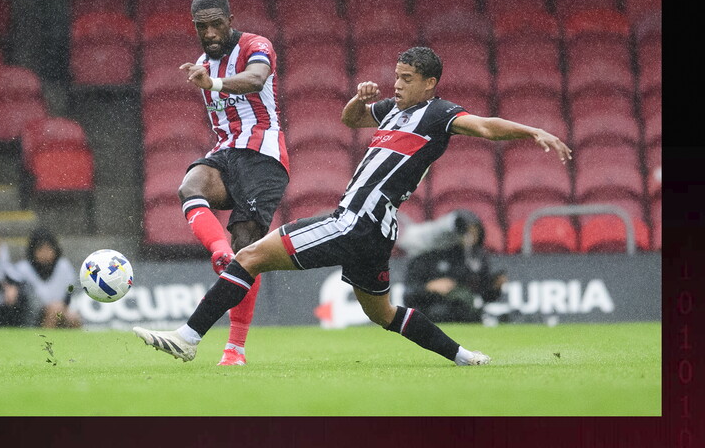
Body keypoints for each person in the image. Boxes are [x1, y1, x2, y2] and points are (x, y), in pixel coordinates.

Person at [134, 46, 571, 366]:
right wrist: (360, 101)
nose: (396, 84)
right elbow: (350, 120)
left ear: (430, 83)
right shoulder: (393, 111)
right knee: (382, 312)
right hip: (377, 231)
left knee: (249, 256)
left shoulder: (438, 113)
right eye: (396, 76)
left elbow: (487, 128)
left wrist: (532, 130)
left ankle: (188, 337)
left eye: (406, 78)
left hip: (355, 219)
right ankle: (464, 356)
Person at [172, 0, 290, 365]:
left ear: (230, 19)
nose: (209, 32)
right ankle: (218, 252)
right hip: (225, 152)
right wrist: (208, 79)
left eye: (215, 23)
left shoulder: (256, 45)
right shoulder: (203, 63)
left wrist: (214, 85)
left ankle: (234, 349)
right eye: (200, 26)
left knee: (247, 251)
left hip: (264, 157)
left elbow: (256, 80)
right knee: (189, 186)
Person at [402, 209, 507, 323]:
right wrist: (429, 287)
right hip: (431, 313)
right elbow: (408, 295)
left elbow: (483, 296)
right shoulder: (426, 256)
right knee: (438, 312)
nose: (471, 237)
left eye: (475, 233)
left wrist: (495, 287)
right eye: (467, 232)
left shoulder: (477, 258)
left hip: (463, 314)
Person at [11, 227, 82, 328]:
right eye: (41, 250)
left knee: (73, 317)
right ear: (33, 251)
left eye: (48, 249)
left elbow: (69, 292)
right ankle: (44, 341)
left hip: (59, 311)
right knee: (54, 311)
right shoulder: (23, 269)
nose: (45, 254)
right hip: (33, 316)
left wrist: (60, 307)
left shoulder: (63, 266)